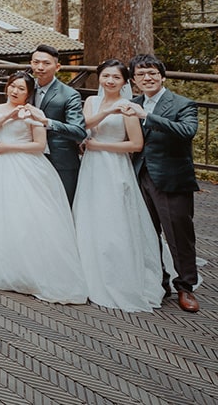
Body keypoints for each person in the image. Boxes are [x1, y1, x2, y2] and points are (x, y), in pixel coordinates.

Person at [0, 72, 86, 304]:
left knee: (26, 216)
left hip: (26, 165)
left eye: (21, 89)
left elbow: (39, 145)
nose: (15, 91)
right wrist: (10, 115)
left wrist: (9, 147)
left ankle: (29, 266)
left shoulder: (35, 113)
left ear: (29, 93)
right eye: (12, 86)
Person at [72, 59, 162, 311]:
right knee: (89, 213)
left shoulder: (129, 107)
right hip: (91, 166)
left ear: (125, 82)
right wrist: (107, 113)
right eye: (105, 76)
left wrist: (100, 145)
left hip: (114, 165)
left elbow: (135, 145)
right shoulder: (91, 102)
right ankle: (87, 270)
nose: (110, 81)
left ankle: (115, 272)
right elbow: (85, 125)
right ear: (99, 78)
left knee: (113, 216)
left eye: (116, 78)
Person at [130, 53, 200, 313]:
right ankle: (159, 282)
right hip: (139, 175)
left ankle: (186, 287)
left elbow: (186, 132)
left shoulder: (182, 103)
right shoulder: (132, 102)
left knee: (179, 235)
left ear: (162, 75)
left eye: (152, 72)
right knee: (147, 234)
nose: (147, 78)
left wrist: (147, 116)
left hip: (172, 178)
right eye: (141, 74)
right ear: (134, 79)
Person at [30, 44, 86, 204]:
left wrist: (47, 122)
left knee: (62, 208)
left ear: (57, 66)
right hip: (29, 158)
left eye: (46, 63)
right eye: (36, 62)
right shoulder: (25, 88)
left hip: (60, 160)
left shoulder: (69, 95)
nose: (40, 67)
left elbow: (79, 131)